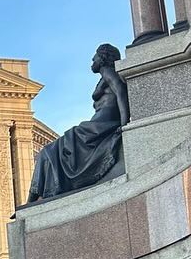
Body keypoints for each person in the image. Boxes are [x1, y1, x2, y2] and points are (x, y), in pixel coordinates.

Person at [28, 43, 129, 203]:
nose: (92, 59)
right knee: (49, 152)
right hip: (95, 124)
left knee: (51, 151)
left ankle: (33, 200)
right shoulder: (105, 76)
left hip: (101, 126)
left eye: (95, 56)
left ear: (103, 57)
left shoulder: (110, 73)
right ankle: (33, 199)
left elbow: (121, 93)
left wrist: (125, 126)